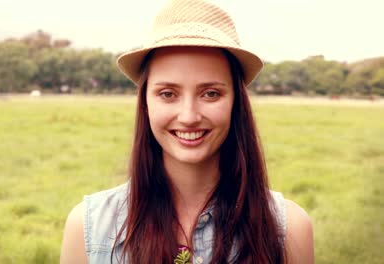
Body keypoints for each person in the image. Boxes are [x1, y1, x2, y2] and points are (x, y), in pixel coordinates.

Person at [60, 0, 314, 263]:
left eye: (211, 93)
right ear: (145, 102)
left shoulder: (289, 230)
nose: (189, 116)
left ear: (236, 102)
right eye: (168, 94)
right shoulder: (88, 229)